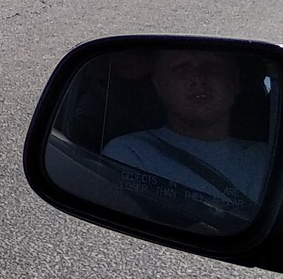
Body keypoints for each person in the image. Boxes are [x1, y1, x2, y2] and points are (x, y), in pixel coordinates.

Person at [100, 50, 273, 231]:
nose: (199, 78)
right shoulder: (129, 154)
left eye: (213, 66)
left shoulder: (267, 157)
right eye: (181, 67)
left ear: (235, 81)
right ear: (158, 85)